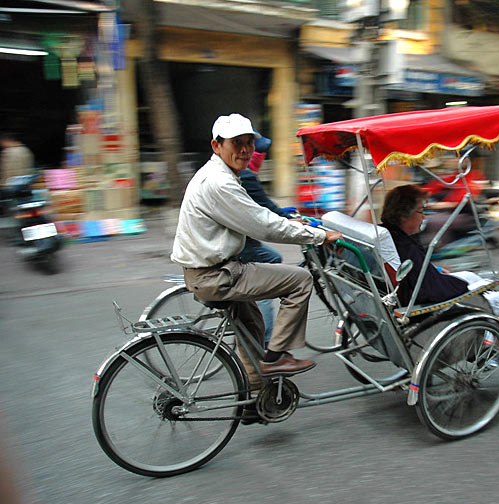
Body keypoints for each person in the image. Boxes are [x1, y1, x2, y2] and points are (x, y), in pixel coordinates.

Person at [171, 113, 342, 387]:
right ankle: (276, 358)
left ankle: (254, 396)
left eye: (248, 142)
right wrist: (320, 236)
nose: (244, 149)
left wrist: (289, 221)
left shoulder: (220, 174)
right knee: (300, 280)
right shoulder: (220, 182)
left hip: (213, 269)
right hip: (216, 274)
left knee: (252, 327)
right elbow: (264, 225)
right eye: (236, 142)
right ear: (216, 146)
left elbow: (261, 215)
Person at [237, 135, 290, 346]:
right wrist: (290, 220)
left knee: (273, 257)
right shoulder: (245, 175)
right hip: (240, 245)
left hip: (238, 241)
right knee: (272, 275)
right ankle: (266, 341)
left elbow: (261, 206)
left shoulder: (235, 174)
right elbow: (266, 208)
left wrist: (282, 213)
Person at [380, 183, 469, 306]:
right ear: (404, 215)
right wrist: (466, 286)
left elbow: (415, 272)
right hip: (416, 298)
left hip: (411, 283)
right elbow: (430, 290)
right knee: (473, 281)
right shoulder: (406, 247)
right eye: (421, 211)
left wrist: (434, 271)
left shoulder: (389, 234)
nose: (423, 216)